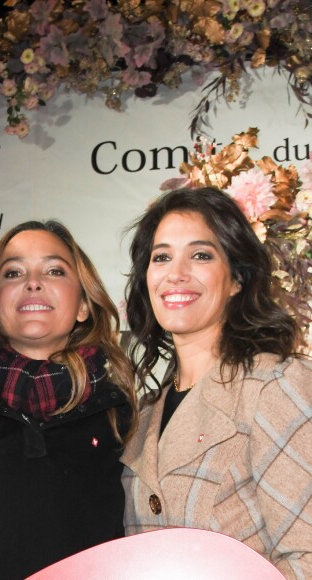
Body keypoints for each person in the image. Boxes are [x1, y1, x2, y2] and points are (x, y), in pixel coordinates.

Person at [0, 220, 137, 579]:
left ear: (84, 305)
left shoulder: (121, 419)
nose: (33, 282)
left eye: (54, 270)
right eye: (13, 273)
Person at [121, 187, 311, 579]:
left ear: (237, 279)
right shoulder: (141, 416)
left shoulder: (273, 384)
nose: (176, 273)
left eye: (201, 255)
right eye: (161, 257)